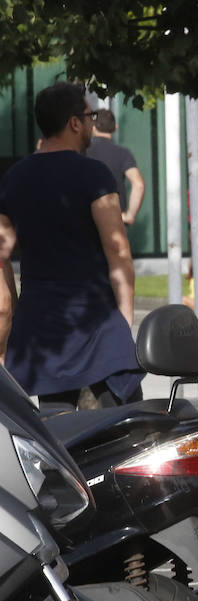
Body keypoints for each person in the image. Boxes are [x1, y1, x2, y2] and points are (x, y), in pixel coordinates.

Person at [0, 82, 144, 407]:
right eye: (90, 115)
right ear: (74, 123)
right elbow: (118, 252)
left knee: (58, 437)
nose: (93, 123)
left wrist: (16, 313)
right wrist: (124, 319)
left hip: (41, 328)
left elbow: (3, 257)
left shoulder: (13, 180)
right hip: (96, 325)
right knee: (121, 434)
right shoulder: (94, 174)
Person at [88, 109, 146, 227]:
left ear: (93, 127)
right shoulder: (123, 154)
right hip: (115, 222)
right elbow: (138, 185)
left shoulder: (82, 152)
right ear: (115, 127)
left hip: (87, 223)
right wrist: (129, 215)